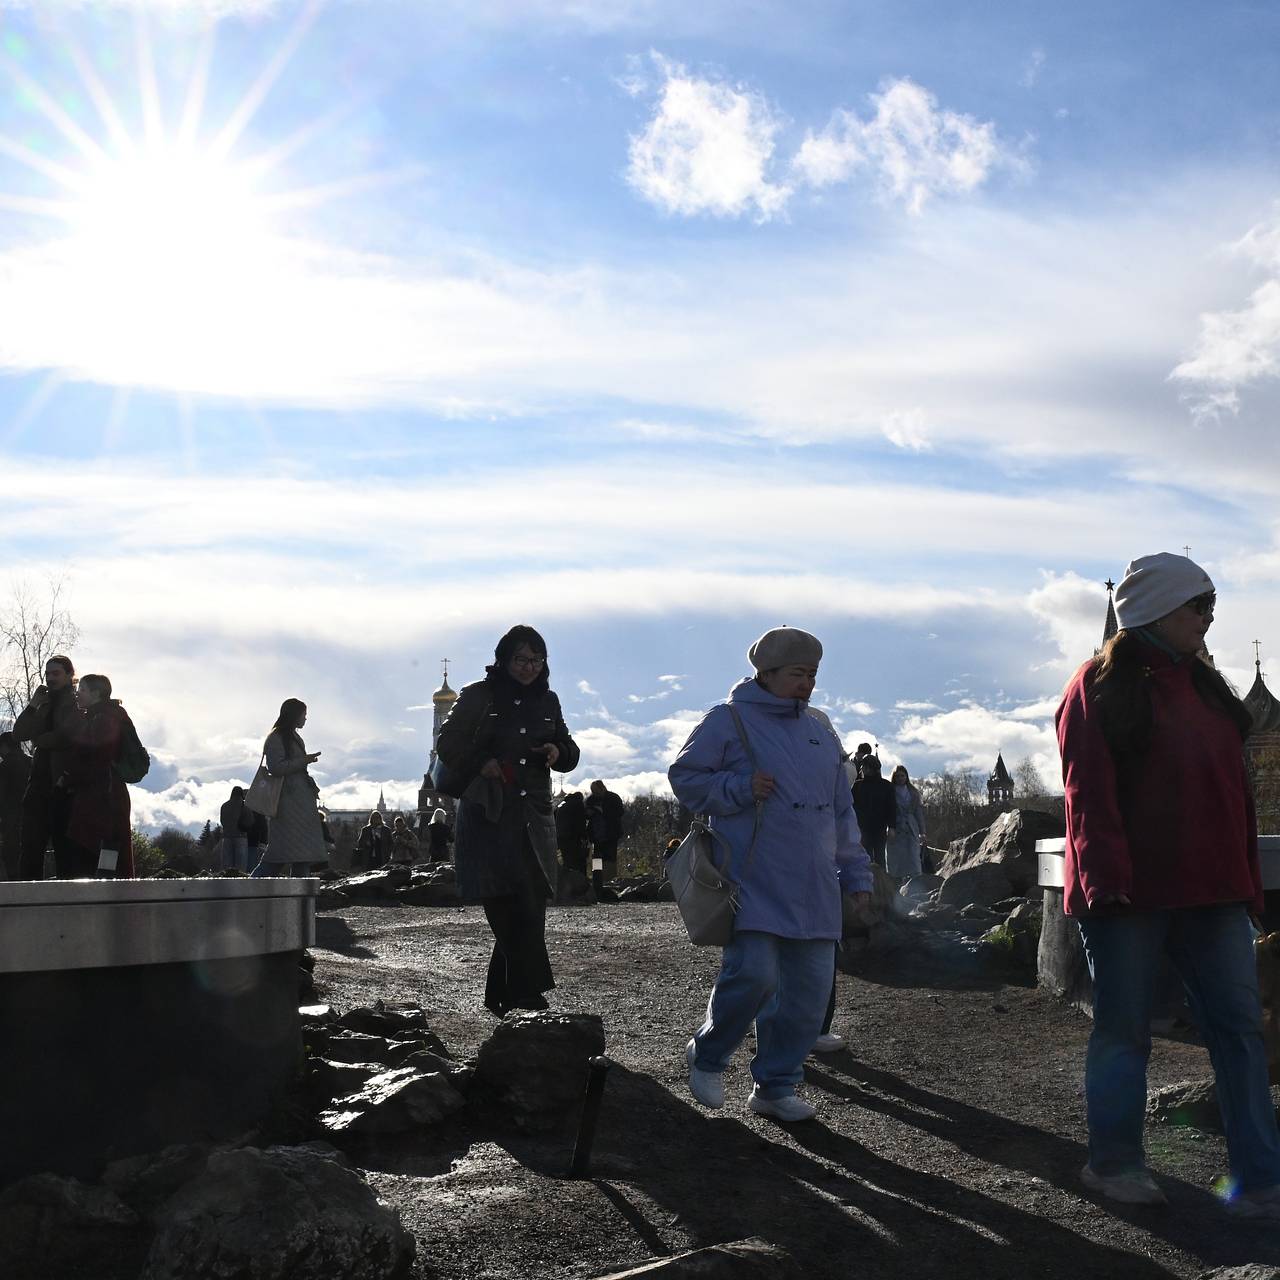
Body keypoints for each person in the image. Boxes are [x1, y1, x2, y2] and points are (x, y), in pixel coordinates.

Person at [1058, 552, 1280, 1214]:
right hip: (1129, 897)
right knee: (1125, 1030)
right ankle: (1115, 1163)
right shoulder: (1096, 688)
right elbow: (1086, 793)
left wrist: (1246, 886)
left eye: (1211, 606)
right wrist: (1104, 879)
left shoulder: (1208, 688)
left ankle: (1261, 1174)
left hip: (1211, 893)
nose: (1209, 620)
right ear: (1155, 611)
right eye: (1199, 607)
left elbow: (1233, 797)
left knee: (1240, 1027)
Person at [669, 626, 873, 1122]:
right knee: (754, 975)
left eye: (812, 675)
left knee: (808, 996)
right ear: (767, 673)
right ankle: (710, 1054)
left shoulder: (821, 732)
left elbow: (842, 813)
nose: (807, 683)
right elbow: (686, 778)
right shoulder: (728, 720)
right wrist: (739, 786)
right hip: (752, 878)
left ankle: (775, 1087)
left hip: (816, 883)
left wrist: (858, 878)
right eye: (798, 674)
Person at [436, 624, 580, 1017]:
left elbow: (570, 749)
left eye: (537, 659)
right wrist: (480, 763)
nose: (529, 667)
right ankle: (529, 995)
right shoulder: (478, 696)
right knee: (504, 902)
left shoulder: (548, 700)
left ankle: (502, 994)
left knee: (531, 904)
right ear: (503, 659)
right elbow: (446, 744)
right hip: (489, 813)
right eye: (521, 659)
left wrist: (558, 750)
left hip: (534, 816)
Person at [12, 655, 81, 879]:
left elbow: (66, 736)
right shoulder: (43, 702)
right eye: (47, 673)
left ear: (70, 675)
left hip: (63, 787)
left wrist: (39, 738)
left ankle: (65, 906)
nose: (50, 678)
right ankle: (27, 903)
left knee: (65, 852)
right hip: (38, 786)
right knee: (30, 848)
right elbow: (19, 733)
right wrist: (33, 705)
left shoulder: (78, 702)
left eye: (56, 673)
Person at [64, 673, 136, 878]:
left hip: (101, 801)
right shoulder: (108, 715)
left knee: (100, 854)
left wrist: (68, 778)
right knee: (108, 853)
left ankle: (103, 901)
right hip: (106, 798)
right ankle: (109, 897)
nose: (78, 695)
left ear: (96, 693)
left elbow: (96, 758)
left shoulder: (103, 719)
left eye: (82, 690)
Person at [251, 698, 325, 877]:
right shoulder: (277, 737)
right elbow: (276, 768)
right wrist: (304, 760)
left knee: (299, 855)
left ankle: (300, 898)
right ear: (294, 715)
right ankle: (248, 890)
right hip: (288, 804)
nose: (305, 719)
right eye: (303, 714)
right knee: (280, 855)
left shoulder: (292, 737)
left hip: (297, 803)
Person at [885, 765, 926, 881]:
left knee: (913, 856)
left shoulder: (913, 792)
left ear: (907, 777)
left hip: (911, 828)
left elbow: (919, 813)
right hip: (896, 827)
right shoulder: (890, 791)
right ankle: (896, 881)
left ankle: (917, 881)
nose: (900, 778)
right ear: (894, 777)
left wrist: (923, 832)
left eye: (902, 775)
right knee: (896, 858)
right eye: (897, 776)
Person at [852, 757, 895, 869]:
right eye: (863, 766)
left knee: (880, 858)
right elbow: (851, 806)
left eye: (866, 766)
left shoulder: (886, 786)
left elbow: (892, 807)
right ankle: (867, 884)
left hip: (880, 827)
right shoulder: (857, 786)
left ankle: (881, 884)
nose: (863, 768)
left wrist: (892, 827)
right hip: (862, 828)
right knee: (865, 858)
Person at [0, 732, 31, 880]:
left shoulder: (5, 767)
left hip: (11, 816)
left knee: (11, 854)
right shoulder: (32, 762)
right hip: (32, 815)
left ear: (4, 746)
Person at [585, 779, 624, 891]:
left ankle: (610, 881)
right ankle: (598, 881)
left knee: (610, 858)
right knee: (597, 858)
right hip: (597, 834)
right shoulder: (591, 800)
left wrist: (604, 812)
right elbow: (586, 813)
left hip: (610, 833)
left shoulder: (613, 798)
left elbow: (620, 812)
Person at [554, 790, 588, 877]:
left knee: (567, 860)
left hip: (560, 837)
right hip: (572, 837)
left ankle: (567, 880)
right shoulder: (577, 804)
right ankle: (578, 880)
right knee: (577, 860)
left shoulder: (561, 805)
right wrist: (584, 836)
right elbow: (580, 822)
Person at [219, 785, 250, 872]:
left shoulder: (224, 806)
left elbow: (222, 821)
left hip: (227, 836)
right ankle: (240, 884)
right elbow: (250, 820)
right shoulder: (245, 807)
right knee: (240, 866)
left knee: (227, 865)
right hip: (241, 836)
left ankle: (227, 883)